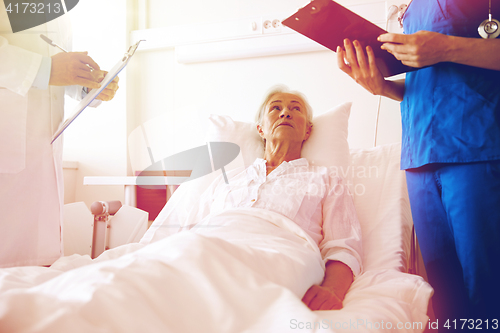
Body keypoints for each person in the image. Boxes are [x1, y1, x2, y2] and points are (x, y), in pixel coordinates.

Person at [336, 0, 500, 327]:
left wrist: (446, 47)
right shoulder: (403, 7)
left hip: (476, 148)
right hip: (420, 155)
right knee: (446, 300)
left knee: (488, 293)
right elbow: (427, 85)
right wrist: (381, 86)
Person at [185, 85, 363, 311]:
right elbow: (189, 232)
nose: (285, 113)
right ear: (261, 129)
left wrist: (332, 290)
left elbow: (344, 246)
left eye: (295, 109)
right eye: (275, 108)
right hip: (208, 250)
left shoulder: (326, 179)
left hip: (279, 255)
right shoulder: (226, 181)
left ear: (307, 131)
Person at [0, 3, 119, 268]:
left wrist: (87, 86)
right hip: (8, 148)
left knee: (40, 270)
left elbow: (54, 68)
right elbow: (46, 68)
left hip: (41, 153)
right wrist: (46, 69)